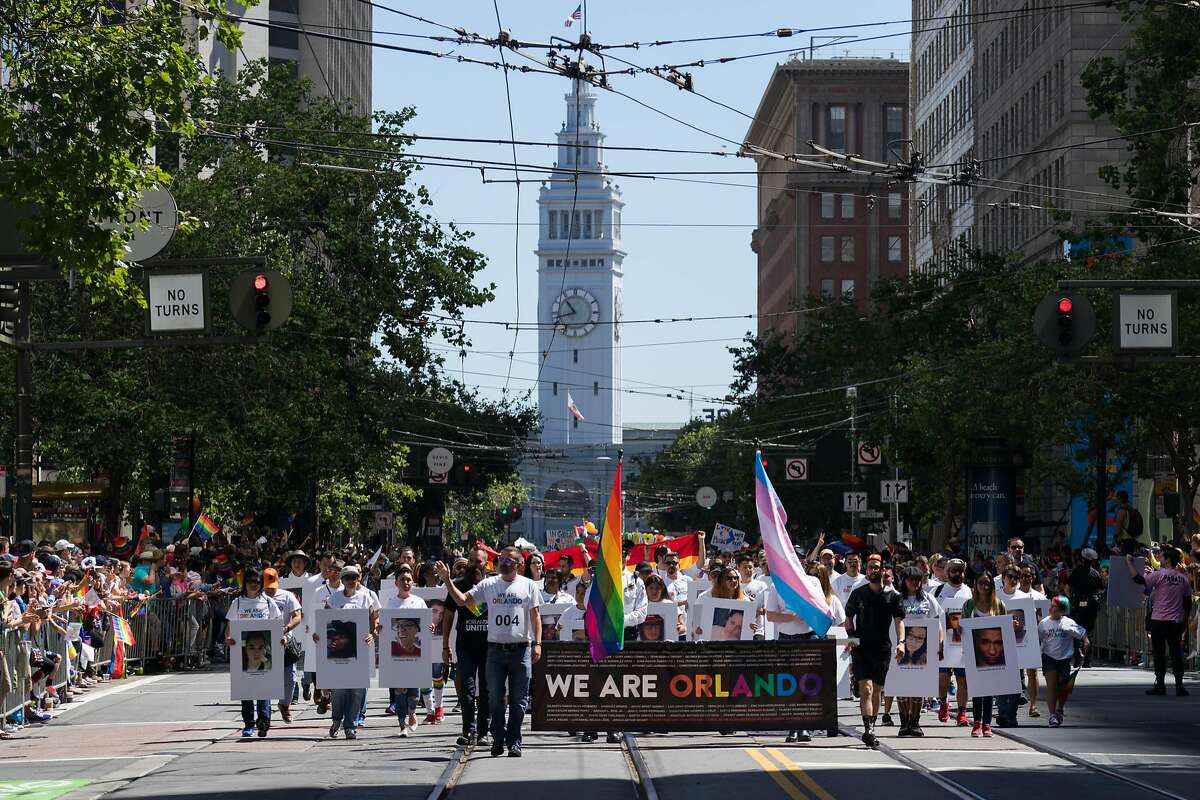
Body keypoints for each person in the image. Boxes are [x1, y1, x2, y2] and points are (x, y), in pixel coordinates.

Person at [438, 546, 542, 758]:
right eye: (501, 559)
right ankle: (498, 738)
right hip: (494, 651)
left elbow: (535, 616)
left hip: (520, 650)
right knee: (494, 697)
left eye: (508, 560)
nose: (503, 563)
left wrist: (538, 643)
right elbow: (462, 601)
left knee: (519, 700)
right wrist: (448, 581)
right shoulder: (489, 584)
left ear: (520, 564)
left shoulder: (529, 586)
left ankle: (514, 741)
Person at [770, 564, 845, 743]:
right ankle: (792, 727)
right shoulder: (776, 586)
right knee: (789, 682)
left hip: (809, 637)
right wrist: (793, 617)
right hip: (787, 639)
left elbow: (820, 607)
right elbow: (771, 616)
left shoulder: (812, 582)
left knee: (807, 680)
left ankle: (804, 725)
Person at [844, 554, 905, 748]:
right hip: (861, 647)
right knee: (866, 688)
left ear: (883, 570)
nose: (873, 570)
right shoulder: (858, 593)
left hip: (882, 648)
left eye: (876, 567)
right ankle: (868, 729)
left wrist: (901, 642)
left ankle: (873, 724)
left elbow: (899, 621)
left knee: (877, 689)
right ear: (866, 570)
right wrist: (851, 637)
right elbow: (848, 618)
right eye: (870, 567)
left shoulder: (893, 596)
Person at [315, 564, 380, 740]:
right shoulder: (333, 599)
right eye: (348, 578)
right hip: (339, 652)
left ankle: (350, 725)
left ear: (358, 579)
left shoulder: (366, 598)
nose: (352, 581)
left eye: (355, 577)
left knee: (357, 691)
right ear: (342, 580)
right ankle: (336, 720)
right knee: (339, 690)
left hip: (360, 650)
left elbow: (375, 619)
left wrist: (372, 634)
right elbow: (325, 620)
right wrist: (319, 634)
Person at [441, 546, 492, 748]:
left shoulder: (493, 585)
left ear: (486, 563)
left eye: (478, 561)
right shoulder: (458, 585)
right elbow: (448, 615)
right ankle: (468, 730)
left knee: (487, 690)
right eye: (471, 560)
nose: (474, 565)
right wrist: (445, 646)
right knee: (467, 690)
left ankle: (484, 732)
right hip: (465, 646)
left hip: (490, 646)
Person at [224, 568, 283, 738]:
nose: (253, 584)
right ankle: (249, 723)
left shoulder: (268, 602)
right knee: (246, 690)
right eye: (250, 581)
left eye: (257, 581)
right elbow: (230, 626)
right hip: (243, 651)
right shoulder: (238, 602)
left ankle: (264, 721)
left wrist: (282, 638)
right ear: (245, 582)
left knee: (264, 689)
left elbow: (277, 623)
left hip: (263, 649)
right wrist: (228, 638)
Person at [1127, 548, 1192, 697]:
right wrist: (1184, 622)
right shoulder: (1183, 579)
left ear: (1168, 559)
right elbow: (1187, 604)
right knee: (1176, 653)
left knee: (1159, 653)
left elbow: (1138, 580)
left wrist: (1129, 563)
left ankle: (1161, 686)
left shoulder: (1160, 575)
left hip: (1159, 620)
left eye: (1161, 557)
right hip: (1176, 622)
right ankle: (1179, 686)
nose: (1159, 558)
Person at [893, 564, 941, 737]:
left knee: (918, 687)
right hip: (900, 647)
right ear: (903, 581)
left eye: (917, 580)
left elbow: (937, 622)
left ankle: (915, 722)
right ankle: (904, 722)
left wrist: (940, 643)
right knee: (902, 687)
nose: (914, 583)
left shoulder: (928, 599)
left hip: (923, 648)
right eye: (910, 579)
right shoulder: (897, 599)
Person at [384, 563, 427, 737]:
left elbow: (426, 624)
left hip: (416, 652)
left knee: (414, 689)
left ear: (413, 582)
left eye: (409, 579)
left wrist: (429, 627)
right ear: (396, 583)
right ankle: (402, 723)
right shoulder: (390, 603)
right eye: (402, 579)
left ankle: (412, 712)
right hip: (396, 654)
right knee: (399, 690)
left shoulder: (419, 602)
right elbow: (385, 625)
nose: (406, 582)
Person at [962, 571, 1005, 738]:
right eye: (981, 583)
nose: (984, 586)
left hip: (992, 654)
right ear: (976, 585)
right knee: (977, 689)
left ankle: (987, 724)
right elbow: (964, 625)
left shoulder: (999, 605)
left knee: (989, 689)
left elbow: (1004, 627)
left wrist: (1012, 624)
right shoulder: (969, 605)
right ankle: (976, 723)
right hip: (974, 652)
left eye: (987, 583)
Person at [1037, 595, 1088, 727]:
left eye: (1057, 608)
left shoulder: (1068, 622)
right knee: (1051, 686)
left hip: (1064, 659)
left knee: (1063, 687)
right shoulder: (1044, 623)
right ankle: (1052, 715)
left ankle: (1060, 709)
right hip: (1048, 657)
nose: (1053, 609)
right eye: (1052, 606)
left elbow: (1081, 632)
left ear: (1062, 610)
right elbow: (1036, 639)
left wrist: (1086, 641)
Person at [933, 558, 971, 726]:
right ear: (947, 572)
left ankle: (962, 712)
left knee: (963, 680)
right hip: (943, 644)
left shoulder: (969, 591)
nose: (957, 574)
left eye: (960, 571)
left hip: (963, 644)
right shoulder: (937, 591)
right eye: (954, 570)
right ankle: (943, 703)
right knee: (942, 679)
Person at [262, 568, 302, 723]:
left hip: (284, 642)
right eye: (267, 587)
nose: (270, 590)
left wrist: (287, 629)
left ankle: (284, 705)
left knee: (290, 678)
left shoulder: (287, 596)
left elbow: (297, 616)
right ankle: (264, 712)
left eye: (272, 587)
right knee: (264, 678)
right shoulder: (258, 598)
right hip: (263, 643)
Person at [1068, 549, 1103, 667]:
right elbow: (1100, 589)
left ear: (1082, 559)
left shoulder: (1076, 572)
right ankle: (1087, 660)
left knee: (1077, 630)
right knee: (1089, 632)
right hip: (1091, 604)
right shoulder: (1095, 573)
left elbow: (1068, 587)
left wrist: (1071, 599)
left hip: (1078, 603)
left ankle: (1077, 656)